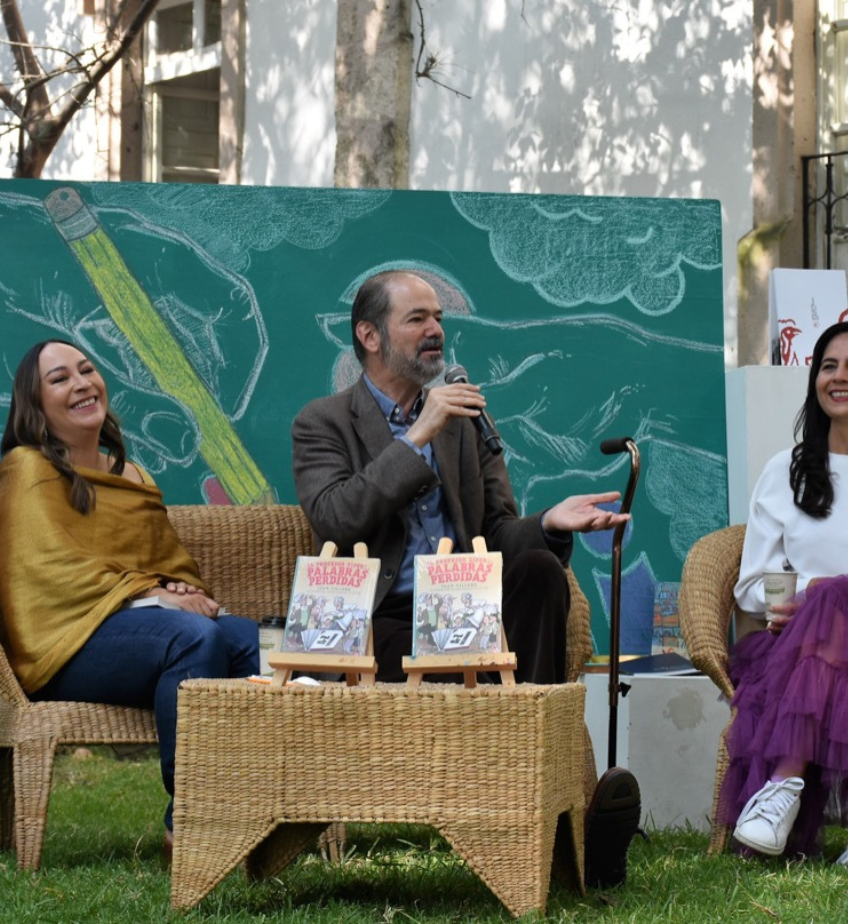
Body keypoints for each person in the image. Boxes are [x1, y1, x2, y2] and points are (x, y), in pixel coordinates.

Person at [289, 269, 641, 884]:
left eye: (439, 319)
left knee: (537, 570)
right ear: (370, 335)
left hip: (469, 616)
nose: (436, 332)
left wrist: (552, 525)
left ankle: (534, 799)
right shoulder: (323, 422)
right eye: (417, 319)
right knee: (456, 643)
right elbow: (337, 519)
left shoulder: (466, 416)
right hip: (386, 630)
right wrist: (419, 434)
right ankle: (545, 825)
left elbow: (499, 533)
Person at [0, 339, 262, 846]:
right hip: (62, 645)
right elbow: (46, 571)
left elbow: (163, 567)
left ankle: (272, 804)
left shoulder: (134, 475)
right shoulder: (26, 468)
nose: (81, 383)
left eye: (87, 370)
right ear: (36, 407)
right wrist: (157, 598)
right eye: (59, 379)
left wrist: (178, 588)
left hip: (141, 632)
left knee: (255, 644)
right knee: (190, 638)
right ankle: (188, 820)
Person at [723, 321, 848, 866]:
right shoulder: (784, 471)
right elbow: (752, 584)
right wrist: (803, 602)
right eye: (828, 366)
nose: (840, 377)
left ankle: (784, 787)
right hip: (793, 642)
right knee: (830, 602)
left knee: (839, 600)